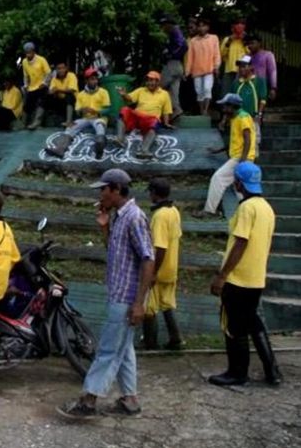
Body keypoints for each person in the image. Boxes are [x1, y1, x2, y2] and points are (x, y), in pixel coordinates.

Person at [58, 169, 154, 419]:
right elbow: (117, 251)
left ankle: (88, 400)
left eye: (103, 189)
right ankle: (130, 400)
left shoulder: (134, 217)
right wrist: (104, 227)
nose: (101, 194)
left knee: (109, 350)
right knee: (124, 349)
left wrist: (139, 303)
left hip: (127, 298)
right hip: (119, 294)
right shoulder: (120, 217)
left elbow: (147, 260)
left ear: (116, 189)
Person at [208, 162, 281, 386]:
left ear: (239, 182)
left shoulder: (246, 208)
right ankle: (272, 372)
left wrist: (222, 275)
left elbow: (240, 242)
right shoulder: (267, 208)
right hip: (256, 277)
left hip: (238, 278)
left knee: (234, 327)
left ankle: (237, 372)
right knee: (253, 322)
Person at [194, 93, 256, 219]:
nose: (223, 109)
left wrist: (242, 162)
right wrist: (219, 150)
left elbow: (247, 140)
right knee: (239, 190)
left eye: (225, 106)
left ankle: (210, 211)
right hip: (240, 157)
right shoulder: (235, 117)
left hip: (241, 158)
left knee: (218, 178)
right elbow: (236, 141)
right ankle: (247, 215)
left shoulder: (243, 118)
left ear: (232, 106)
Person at [142, 178, 184, 350]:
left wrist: (152, 272)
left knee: (149, 308)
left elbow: (160, 247)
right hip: (171, 267)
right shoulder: (174, 211)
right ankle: (176, 339)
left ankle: (150, 343)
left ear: (154, 193)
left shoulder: (160, 216)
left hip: (159, 269)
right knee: (167, 303)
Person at [46, 67, 111, 159]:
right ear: (86, 80)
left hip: (98, 118)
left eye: (96, 79)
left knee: (100, 126)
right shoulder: (81, 94)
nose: (95, 81)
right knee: (71, 126)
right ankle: (60, 149)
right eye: (92, 79)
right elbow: (77, 111)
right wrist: (81, 111)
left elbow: (108, 109)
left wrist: (97, 112)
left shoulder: (104, 92)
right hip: (85, 118)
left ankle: (99, 149)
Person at [115, 71, 174, 159]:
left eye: (152, 80)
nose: (149, 83)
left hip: (150, 120)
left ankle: (144, 150)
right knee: (124, 110)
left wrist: (166, 123)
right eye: (148, 80)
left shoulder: (164, 94)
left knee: (155, 122)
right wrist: (124, 95)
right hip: (137, 117)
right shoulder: (141, 90)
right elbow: (129, 99)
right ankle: (120, 139)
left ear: (157, 82)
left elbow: (166, 111)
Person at [185, 18, 221, 115]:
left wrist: (216, 66)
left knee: (207, 89)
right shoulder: (193, 41)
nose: (201, 28)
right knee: (199, 91)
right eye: (199, 26)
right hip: (196, 71)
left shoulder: (214, 38)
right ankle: (202, 110)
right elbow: (190, 58)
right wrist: (187, 71)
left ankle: (206, 109)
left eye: (203, 25)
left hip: (209, 69)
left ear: (208, 27)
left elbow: (217, 53)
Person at [231, 55, 268, 150]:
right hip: (239, 120)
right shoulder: (236, 83)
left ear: (251, 67)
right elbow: (231, 102)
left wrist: (259, 115)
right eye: (240, 67)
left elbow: (263, 99)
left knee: (254, 145)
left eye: (244, 66)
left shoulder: (259, 81)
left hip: (252, 119)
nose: (241, 69)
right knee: (239, 146)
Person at [159, 15, 188, 119]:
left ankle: (152, 110)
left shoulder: (174, 31)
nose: (162, 27)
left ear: (168, 24)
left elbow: (183, 46)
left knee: (157, 87)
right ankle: (177, 110)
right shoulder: (173, 33)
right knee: (173, 90)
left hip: (172, 64)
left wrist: (170, 53)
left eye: (163, 25)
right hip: (178, 66)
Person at [22, 42, 52, 130]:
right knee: (27, 105)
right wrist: (26, 85)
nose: (28, 54)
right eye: (26, 52)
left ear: (33, 51)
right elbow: (25, 75)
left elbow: (48, 73)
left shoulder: (41, 60)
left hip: (42, 85)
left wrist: (45, 83)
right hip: (32, 87)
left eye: (29, 52)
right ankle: (23, 123)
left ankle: (37, 122)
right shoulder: (24, 62)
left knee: (41, 102)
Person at [220, 18, 248, 96]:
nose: (239, 26)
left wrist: (244, 42)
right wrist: (229, 41)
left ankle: (240, 107)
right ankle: (226, 107)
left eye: (242, 24)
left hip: (243, 70)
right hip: (229, 69)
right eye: (237, 24)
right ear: (232, 28)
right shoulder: (227, 39)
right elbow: (222, 54)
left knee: (240, 91)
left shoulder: (247, 40)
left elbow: (250, 54)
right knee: (226, 91)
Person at [247, 35, 278, 102]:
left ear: (259, 43)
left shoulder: (268, 55)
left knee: (260, 107)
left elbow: (272, 71)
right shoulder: (246, 56)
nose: (250, 46)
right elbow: (240, 72)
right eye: (248, 44)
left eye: (252, 43)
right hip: (248, 87)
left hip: (262, 86)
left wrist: (273, 88)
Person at [49, 62, 79, 127]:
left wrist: (57, 90)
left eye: (63, 68)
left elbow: (71, 90)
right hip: (61, 100)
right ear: (56, 70)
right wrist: (54, 91)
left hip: (73, 101)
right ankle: (47, 121)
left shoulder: (71, 75)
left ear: (66, 69)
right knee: (48, 97)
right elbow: (51, 91)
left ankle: (68, 122)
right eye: (59, 68)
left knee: (69, 96)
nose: (61, 70)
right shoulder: (54, 78)